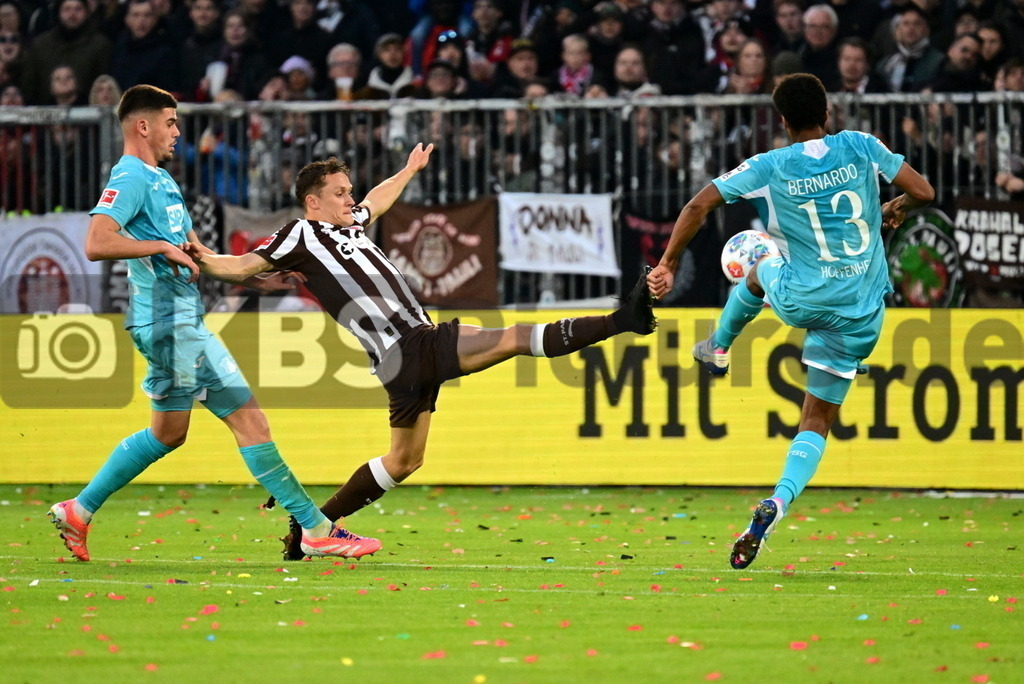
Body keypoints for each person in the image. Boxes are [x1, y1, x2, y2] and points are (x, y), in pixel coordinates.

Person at [181, 144, 658, 560]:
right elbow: (241, 267)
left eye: (349, 191)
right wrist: (202, 258)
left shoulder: (351, 225)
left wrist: (409, 170)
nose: (351, 200)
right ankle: (623, 320)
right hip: (408, 344)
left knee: (404, 461)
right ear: (313, 202)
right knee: (514, 337)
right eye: (340, 193)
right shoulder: (300, 234)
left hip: (400, 359)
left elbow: (377, 200)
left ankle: (312, 528)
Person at [47, 84, 379, 563]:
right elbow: (97, 242)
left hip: (173, 322)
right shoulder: (131, 176)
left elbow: (198, 254)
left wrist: (256, 280)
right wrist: (160, 247)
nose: (177, 132)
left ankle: (79, 510)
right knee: (250, 420)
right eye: (170, 122)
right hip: (170, 323)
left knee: (168, 433)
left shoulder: (163, 181)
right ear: (143, 126)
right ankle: (315, 528)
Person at [646, 73, 934, 569]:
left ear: (782, 121)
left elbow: (698, 205)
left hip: (803, 298)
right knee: (816, 421)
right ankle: (779, 500)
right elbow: (924, 191)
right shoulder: (862, 145)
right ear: (828, 112)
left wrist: (668, 263)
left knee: (759, 267)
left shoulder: (770, 165)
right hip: (860, 312)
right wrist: (898, 205)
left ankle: (719, 346)